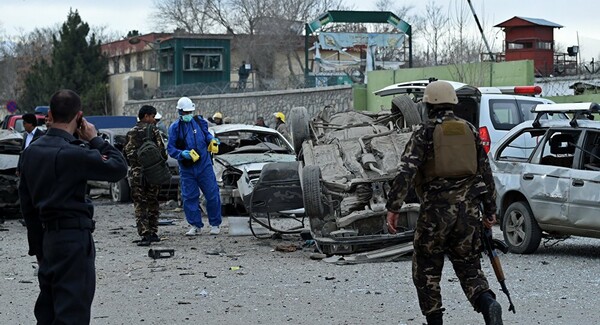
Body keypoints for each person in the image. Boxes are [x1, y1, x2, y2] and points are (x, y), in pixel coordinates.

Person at [385, 81, 503, 325]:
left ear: (428, 105)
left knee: (426, 270)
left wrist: (393, 208)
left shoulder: (425, 132)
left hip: (435, 216)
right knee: (470, 269)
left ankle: (435, 321)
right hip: (469, 215)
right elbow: (485, 172)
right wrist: (491, 209)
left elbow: (406, 171)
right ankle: (488, 304)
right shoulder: (469, 130)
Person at [18, 89, 128, 324]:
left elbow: (27, 208)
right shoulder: (75, 153)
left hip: (48, 240)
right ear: (79, 117)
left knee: (48, 312)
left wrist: (38, 248)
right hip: (74, 240)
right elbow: (118, 167)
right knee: (73, 313)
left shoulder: (30, 153)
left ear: (49, 114)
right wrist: (95, 138)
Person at [167, 96, 222, 236]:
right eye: (185, 113)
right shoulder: (174, 128)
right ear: (179, 112)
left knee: (212, 195)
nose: (188, 115)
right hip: (187, 169)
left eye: (189, 112)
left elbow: (206, 135)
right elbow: (171, 149)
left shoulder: (200, 122)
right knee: (190, 197)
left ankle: (215, 224)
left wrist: (212, 140)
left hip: (204, 165)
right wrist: (181, 154)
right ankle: (195, 225)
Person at [124, 105, 167, 246]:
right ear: (146, 116)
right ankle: (153, 232)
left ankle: (145, 234)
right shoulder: (154, 131)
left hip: (138, 174)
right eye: (153, 116)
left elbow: (127, 154)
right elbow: (163, 153)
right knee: (153, 201)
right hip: (153, 173)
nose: (154, 120)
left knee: (140, 204)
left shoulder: (131, 132)